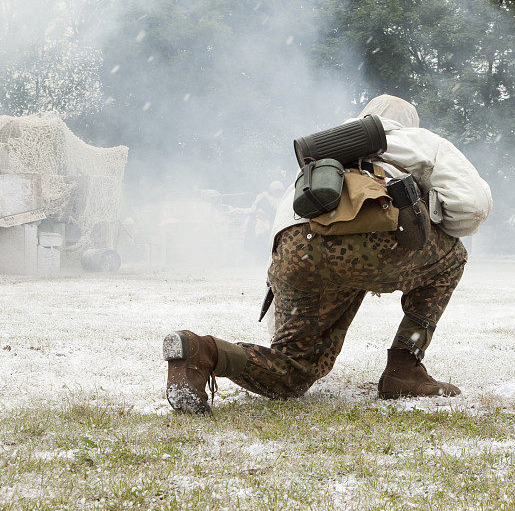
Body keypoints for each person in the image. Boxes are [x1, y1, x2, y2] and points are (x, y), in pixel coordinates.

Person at [164, 95, 493, 413]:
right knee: (453, 258)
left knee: (292, 371)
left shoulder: (324, 150)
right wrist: (423, 215)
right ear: (410, 124)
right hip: (377, 244)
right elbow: (472, 207)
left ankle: (203, 351)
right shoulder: (421, 141)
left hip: (296, 251)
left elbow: (284, 238)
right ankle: (404, 368)